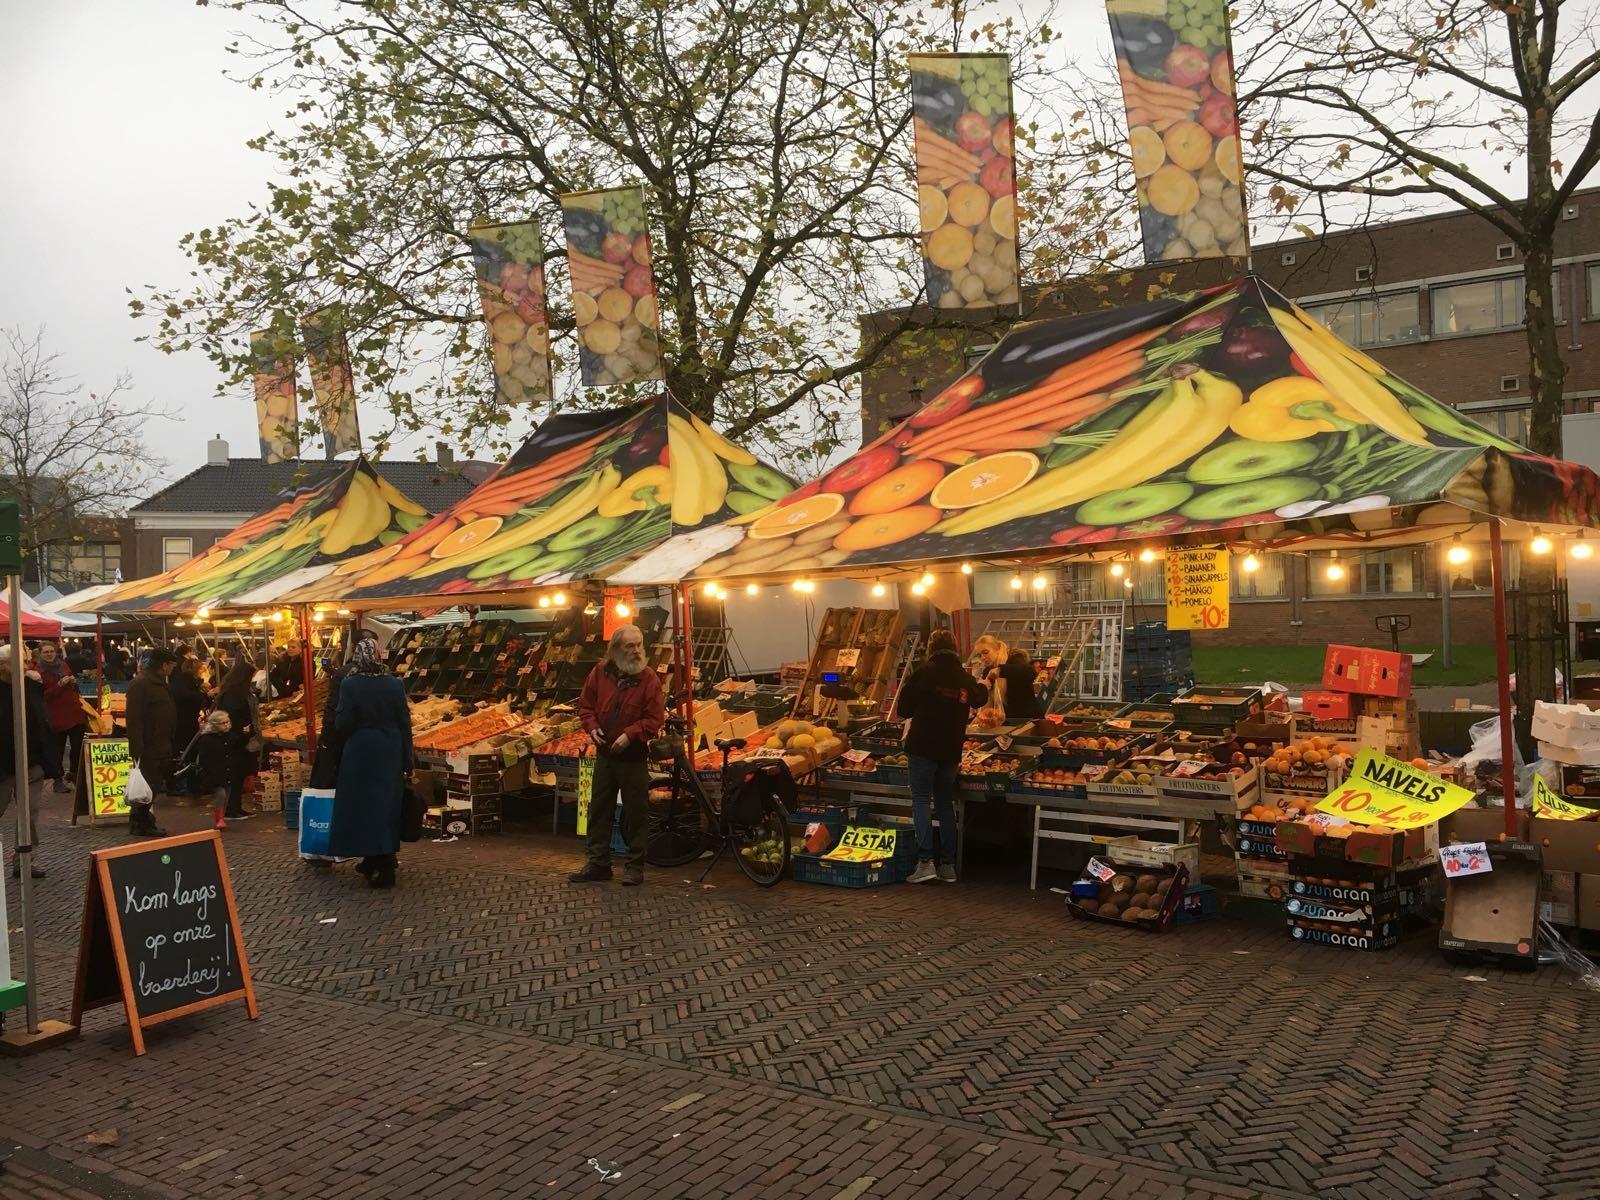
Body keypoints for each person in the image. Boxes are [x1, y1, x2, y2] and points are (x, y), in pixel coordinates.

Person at [568, 625, 664, 887]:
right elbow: (586, 706)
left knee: (636, 812)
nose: (636, 651)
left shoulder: (649, 679)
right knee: (599, 809)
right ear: (615, 650)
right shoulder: (600, 672)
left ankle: (634, 866)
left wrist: (631, 734)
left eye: (639, 645)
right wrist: (592, 726)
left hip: (632, 756)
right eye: (629, 646)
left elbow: (654, 719)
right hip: (605, 754)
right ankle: (598, 863)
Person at [896, 629, 984, 884]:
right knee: (945, 802)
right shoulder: (963, 677)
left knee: (921, 800)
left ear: (931, 648)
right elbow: (979, 698)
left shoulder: (924, 673)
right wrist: (983, 684)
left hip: (923, 746)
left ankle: (925, 862)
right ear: (955, 648)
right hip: (951, 748)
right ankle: (948, 866)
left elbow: (903, 709)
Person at [331, 638, 412, 888]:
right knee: (385, 805)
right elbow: (404, 722)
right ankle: (378, 858)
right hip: (389, 748)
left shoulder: (350, 684)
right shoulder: (393, 684)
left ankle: (380, 863)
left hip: (361, 750)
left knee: (361, 805)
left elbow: (343, 723)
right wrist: (408, 757)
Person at [0, 645, 52, 879]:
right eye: (17, 661)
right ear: (3, 665)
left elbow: (41, 720)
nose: (24, 665)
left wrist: (45, 759)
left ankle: (24, 861)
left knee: (29, 816)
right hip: (3, 765)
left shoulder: (31, 686)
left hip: (30, 763)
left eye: (24, 660)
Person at [310, 629, 378, 790]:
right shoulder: (386, 678)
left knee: (344, 780)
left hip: (345, 737)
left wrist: (328, 736)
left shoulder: (344, 674)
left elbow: (333, 708)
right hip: (367, 738)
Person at [124, 647, 178, 836]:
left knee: (153, 785)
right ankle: (140, 822)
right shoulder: (140, 684)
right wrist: (137, 748)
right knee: (148, 785)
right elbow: (134, 719)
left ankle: (143, 820)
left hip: (161, 743)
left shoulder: (158, 683)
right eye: (171, 665)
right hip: (149, 746)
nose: (172, 669)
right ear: (164, 665)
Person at [36, 641, 87, 793]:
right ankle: (58, 780)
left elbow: (72, 685)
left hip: (74, 713)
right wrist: (59, 685)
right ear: (40, 654)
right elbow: (42, 696)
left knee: (78, 746)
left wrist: (72, 682)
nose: (50, 654)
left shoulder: (63, 665)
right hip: (56, 716)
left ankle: (75, 774)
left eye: (51, 651)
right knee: (57, 750)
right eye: (46, 652)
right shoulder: (38, 671)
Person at [216, 657, 262, 821]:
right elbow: (233, 716)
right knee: (236, 774)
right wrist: (243, 731)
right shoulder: (234, 694)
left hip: (239, 738)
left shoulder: (235, 690)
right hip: (236, 740)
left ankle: (235, 806)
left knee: (240, 773)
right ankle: (232, 809)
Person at [178, 709, 237, 831]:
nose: (226, 725)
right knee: (221, 794)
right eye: (223, 723)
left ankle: (222, 817)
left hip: (228, 771)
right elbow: (205, 759)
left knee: (226, 795)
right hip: (215, 773)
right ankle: (219, 819)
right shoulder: (207, 739)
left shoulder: (229, 736)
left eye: (227, 722)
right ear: (215, 724)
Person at [168, 657, 209, 789]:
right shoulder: (188, 682)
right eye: (203, 670)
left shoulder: (179, 681)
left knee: (183, 752)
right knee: (189, 753)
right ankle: (189, 784)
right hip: (186, 724)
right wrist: (205, 694)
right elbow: (191, 699)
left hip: (180, 723)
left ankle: (180, 783)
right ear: (197, 670)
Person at [994, 649, 1044, 721]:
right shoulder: (1022, 669)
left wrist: (999, 669)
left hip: (1018, 715)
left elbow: (1029, 671)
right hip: (1029, 715)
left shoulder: (1009, 670)